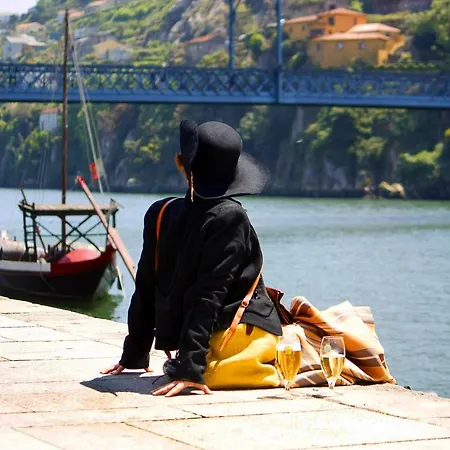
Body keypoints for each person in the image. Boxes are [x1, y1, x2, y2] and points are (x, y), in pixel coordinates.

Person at [102, 120, 283, 397]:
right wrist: (190, 369)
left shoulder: (161, 211)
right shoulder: (230, 216)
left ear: (185, 168)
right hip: (237, 338)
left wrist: (135, 353)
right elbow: (208, 294)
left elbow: (146, 286)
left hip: (204, 340)